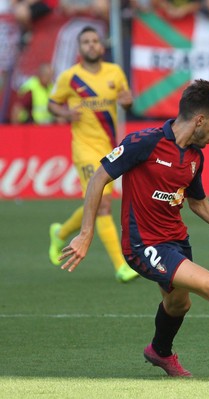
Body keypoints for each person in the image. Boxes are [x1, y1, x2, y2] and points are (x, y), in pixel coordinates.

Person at [58, 79, 209, 378]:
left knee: (178, 304)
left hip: (176, 242)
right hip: (144, 246)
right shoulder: (143, 142)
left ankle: (159, 352)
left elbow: (199, 204)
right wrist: (86, 234)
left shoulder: (195, 158)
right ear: (199, 119)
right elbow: (98, 179)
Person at [48, 26, 139, 283]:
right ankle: (121, 266)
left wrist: (128, 101)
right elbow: (52, 103)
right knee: (104, 206)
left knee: (96, 203)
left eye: (94, 41)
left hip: (110, 148)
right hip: (84, 148)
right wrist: (65, 114)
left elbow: (127, 100)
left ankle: (61, 232)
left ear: (101, 46)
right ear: (80, 48)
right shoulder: (70, 77)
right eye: (86, 41)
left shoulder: (115, 72)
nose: (91, 45)